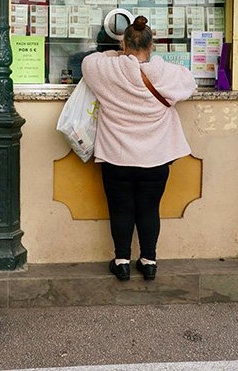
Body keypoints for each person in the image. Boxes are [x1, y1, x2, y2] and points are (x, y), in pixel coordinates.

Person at [81, 15, 197, 281]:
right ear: (151, 45)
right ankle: (148, 261)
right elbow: (189, 82)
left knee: (120, 209)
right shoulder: (164, 72)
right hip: (156, 158)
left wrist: (118, 54)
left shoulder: (108, 69)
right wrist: (146, 60)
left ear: (124, 44)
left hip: (116, 157)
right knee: (149, 208)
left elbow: (89, 61)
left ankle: (122, 262)